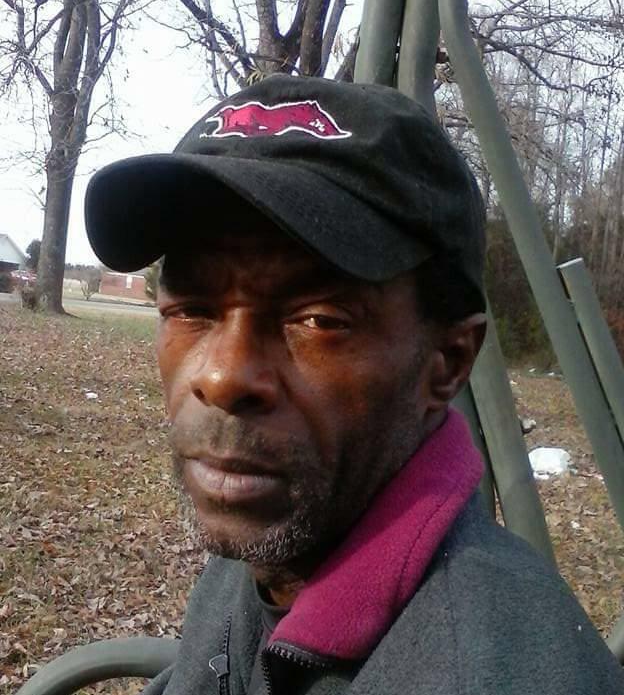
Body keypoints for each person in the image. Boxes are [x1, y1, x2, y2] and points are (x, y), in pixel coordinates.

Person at [86, 75, 624, 695]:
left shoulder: (496, 672)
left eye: (319, 320)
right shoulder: (285, 531)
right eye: (191, 310)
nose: (223, 375)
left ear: (447, 363)